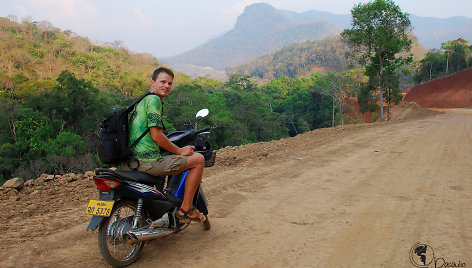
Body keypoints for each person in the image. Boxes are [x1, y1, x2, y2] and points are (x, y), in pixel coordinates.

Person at [126, 67, 206, 222]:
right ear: (153, 82)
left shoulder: (142, 101)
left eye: (170, 83)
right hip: (147, 163)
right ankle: (186, 209)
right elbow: (156, 136)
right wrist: (179, 150)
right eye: (163, 82)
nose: (167, 86)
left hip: (131, 161)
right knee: (198, 160)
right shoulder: (154, 100)